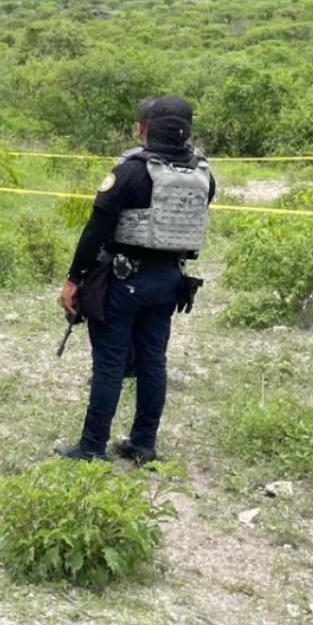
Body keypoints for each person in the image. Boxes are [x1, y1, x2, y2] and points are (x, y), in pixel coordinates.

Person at [57, 95, 216, 464]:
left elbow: (95, 230)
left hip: (124, 280)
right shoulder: (204, 176)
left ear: (145, 129)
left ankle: (92, 447)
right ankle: (143, 444)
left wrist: (73, 279)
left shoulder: (130, 171)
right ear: (187, 131)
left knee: (110, 363)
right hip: (170, 281)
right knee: (152, 362)